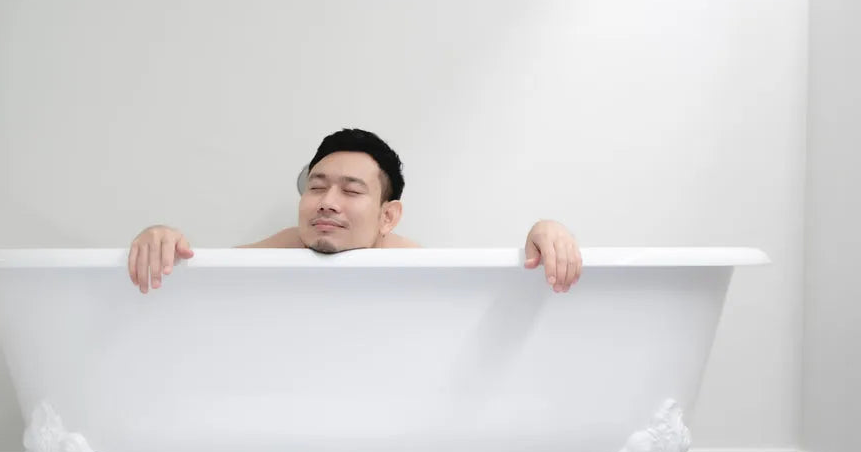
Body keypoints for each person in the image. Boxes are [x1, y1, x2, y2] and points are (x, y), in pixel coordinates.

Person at [128, 128, 582, 293]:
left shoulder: (414, 267)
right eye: (318, 186)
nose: (327, 200)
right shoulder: (285, 248)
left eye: (351, 190)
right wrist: (160, 235)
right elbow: (203, 272)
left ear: (388, 217)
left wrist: (546, 231)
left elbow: (494, 292)